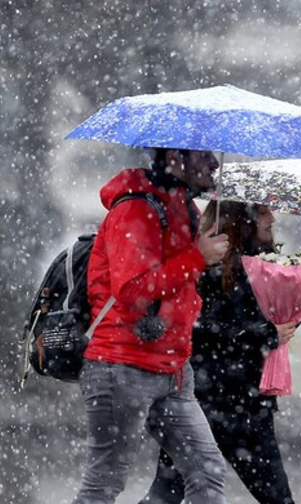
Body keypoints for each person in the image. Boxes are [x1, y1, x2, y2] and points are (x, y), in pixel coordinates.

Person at [72, 149, 230, 504]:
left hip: (172, 369)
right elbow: (132, 290)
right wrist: (197, 258)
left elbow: (181, 285)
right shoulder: (136, 208)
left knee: (208, 473)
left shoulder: (184, 209)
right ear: (176, 157)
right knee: (103, 484)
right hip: (121, 365)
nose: (215, 164)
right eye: (204, 156)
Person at [140, 201, 299, 504]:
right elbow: (201, 330)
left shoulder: (267, 267)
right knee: (166, 494)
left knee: (277, 498)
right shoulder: (208, 268)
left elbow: (254, 327)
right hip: (208, 401)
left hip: (249, 405)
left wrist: (289, 318)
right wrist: (265, 334)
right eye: (263, 211)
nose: (272, 217)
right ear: (243, 219)